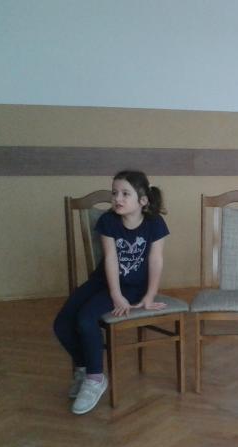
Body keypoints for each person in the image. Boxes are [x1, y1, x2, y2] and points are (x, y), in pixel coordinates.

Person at [53, 170, 169, 415]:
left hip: (133, 287)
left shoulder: (155, 223)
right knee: (61, 324)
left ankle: (95, 379)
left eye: (125, 194)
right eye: (115, 193)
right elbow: (110, 259)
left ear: (142, 200)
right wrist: (115, 295)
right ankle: (84, 368)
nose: (117, 198)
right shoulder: (108, 221)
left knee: (86, 319)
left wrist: (149, 295)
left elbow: (156, 260)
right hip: (104, 281)